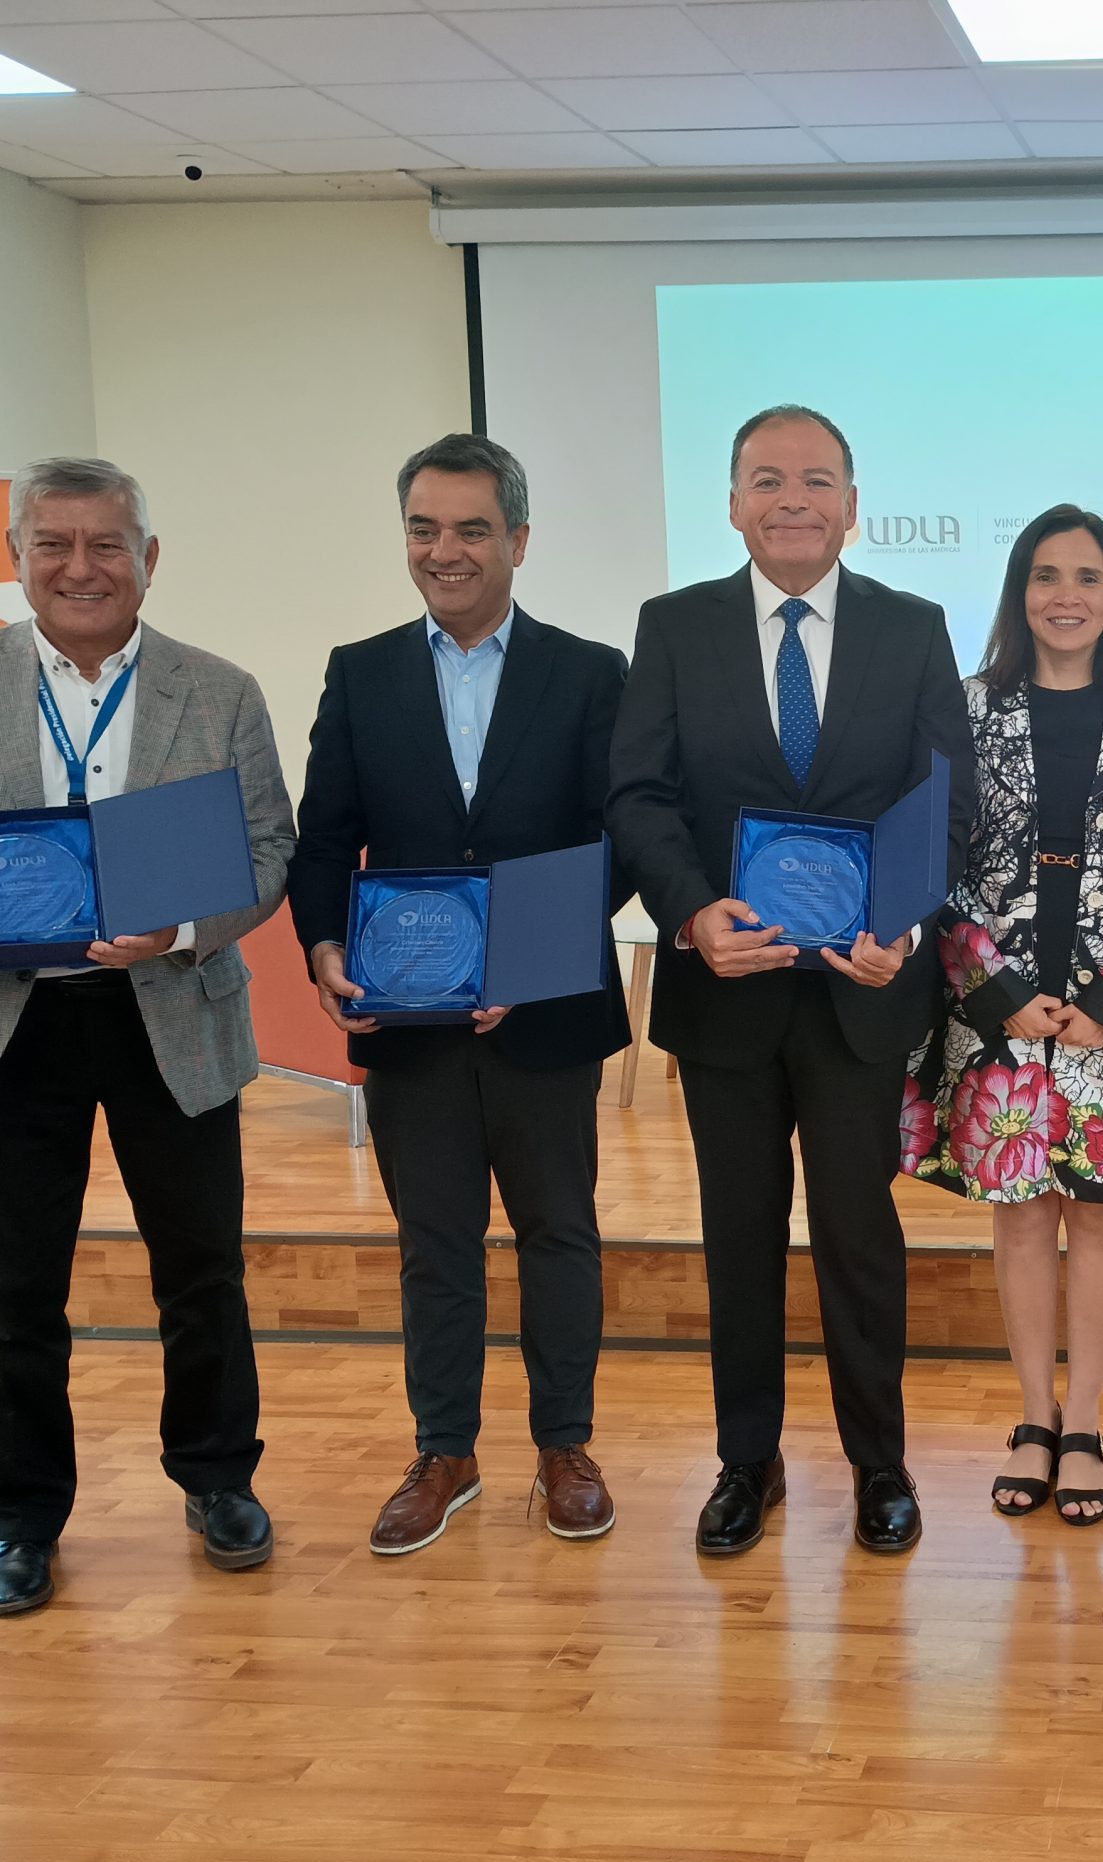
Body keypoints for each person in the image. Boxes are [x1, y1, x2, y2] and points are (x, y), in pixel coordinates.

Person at [0, 456, 294, 1616]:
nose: (82, 567)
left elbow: (269, 851)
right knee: (11, 1292)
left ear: (148, 558)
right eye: (54, 544)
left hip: (168, 1012)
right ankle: (21, 1519)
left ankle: (216, 1479)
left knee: (203, 1274)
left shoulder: (218, 691)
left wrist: (183, 925)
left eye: (106, 544)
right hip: (6, 1020)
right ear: (17, 557)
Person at [608, 404, 974, 1558]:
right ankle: (746, 1463)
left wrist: (901, 923)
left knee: (859, 1239)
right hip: (726, 992)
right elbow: (639, 796)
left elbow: (947, 801)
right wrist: (688, 910)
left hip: (863, 995)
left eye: (816, 480)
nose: (792, 500)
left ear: (852, 506)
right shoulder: (675, 627)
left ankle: (879, 1466)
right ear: (732, 504)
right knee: (739, 1236)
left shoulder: (912, 629)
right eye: (767, 479)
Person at [290, 433, 632, 1556]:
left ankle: (564, 1448)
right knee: (433, 1243)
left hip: (547, 1018)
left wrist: (524, 960)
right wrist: (326, 946)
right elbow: (325, 838)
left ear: (517, 541)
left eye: (472, 529)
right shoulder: (361, 671)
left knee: (559, 1233)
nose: (446, 551)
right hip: (410, 1021)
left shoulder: (591, 673)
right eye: (424, 529)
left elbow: (619, 840)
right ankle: (445, 1452)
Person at [904, 505, 1103, 1527]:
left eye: (1086, 576)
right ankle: (1034, 1418)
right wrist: (992, 988)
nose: (1064, 595)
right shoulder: (969, 706)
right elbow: (938, 851)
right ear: (1018, 593)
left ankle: (1087, 1425)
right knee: (1024, 1216)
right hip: (999, 1012)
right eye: (1045, 575)